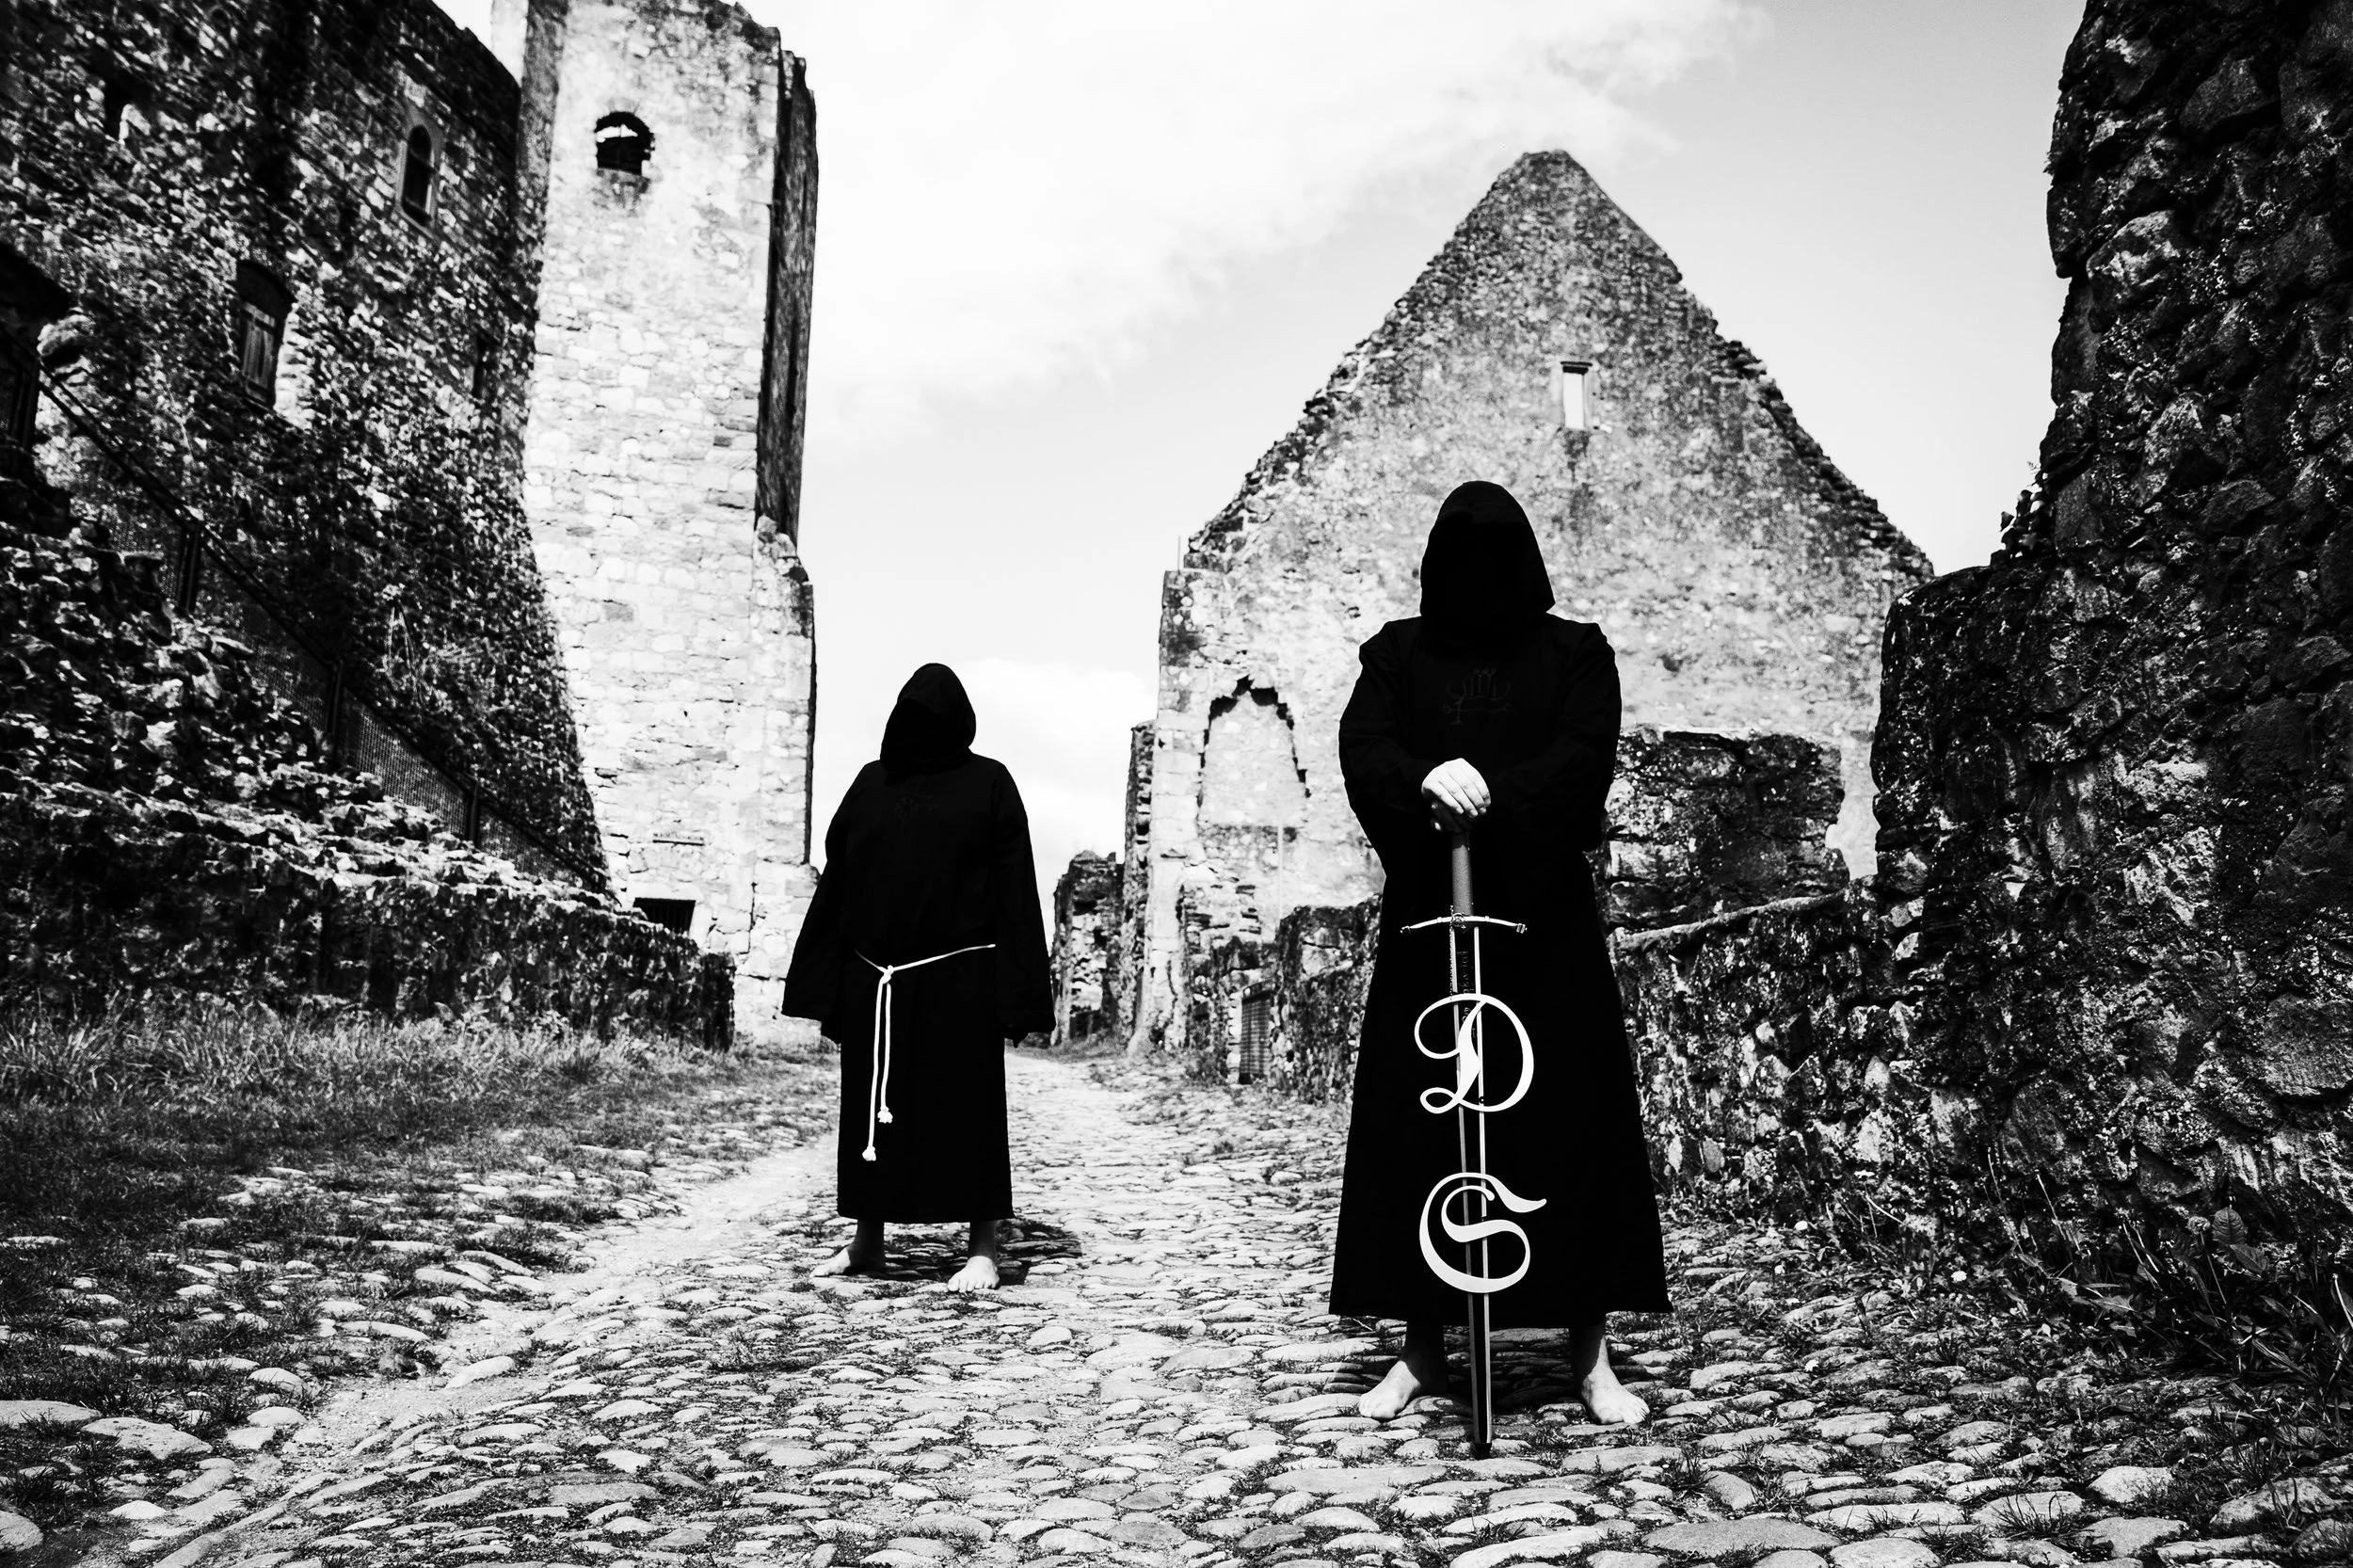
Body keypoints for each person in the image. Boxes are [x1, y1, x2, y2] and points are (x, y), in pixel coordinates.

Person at [1332, 480, 1670, 1423]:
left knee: (1569, 1123)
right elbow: (1366, 749)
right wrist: (1421, 779)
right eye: (1460, 549)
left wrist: (1492, 787)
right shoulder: (1397, 655)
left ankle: (1589, 1353)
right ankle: (1422, 1352)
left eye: (1494, 550)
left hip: (1544, 923)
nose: (1477, 568)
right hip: (1428, 927)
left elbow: (1582, 754)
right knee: (1425, 1130)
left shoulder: (1574, 651)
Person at [781, 663, 1053, 1291]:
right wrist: (829, 987)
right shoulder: (870, 785)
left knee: (970, 1117)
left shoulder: (990, 783)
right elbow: (840, 886)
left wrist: (1016, 997)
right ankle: (866, 1242)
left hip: (960, 989)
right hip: (879, 986)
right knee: (873, 1120)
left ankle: (982, 1247)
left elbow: (1015, 894)